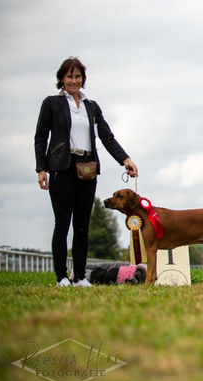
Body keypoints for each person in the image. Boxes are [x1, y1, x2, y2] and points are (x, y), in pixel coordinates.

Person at [34, 57, 138, 288]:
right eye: (69, 76)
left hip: (87, 167)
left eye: (78, 76)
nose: (74, 80)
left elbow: (107, 137)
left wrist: (125, 159)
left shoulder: (92, 106)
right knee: (63, 223)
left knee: (82, 225)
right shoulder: (51, 103)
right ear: (62, 79)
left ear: (83, 79)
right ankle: (61, 276)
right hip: (62, 167)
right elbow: (41, 137)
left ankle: (79, 277)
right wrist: (41, 167)